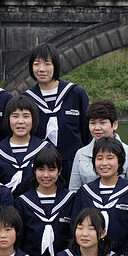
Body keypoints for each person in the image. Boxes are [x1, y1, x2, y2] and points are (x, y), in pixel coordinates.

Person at [22, 43, 89, 183]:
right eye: (36, 64)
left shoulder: (76, 94)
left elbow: (86, 134)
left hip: (72, 166)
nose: (41, 69)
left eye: (47, 64)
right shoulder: (27, 99)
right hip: (40, 169)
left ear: (56, 66)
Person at [75, 137, 128, 254]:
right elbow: (75, 226)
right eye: (99, 158)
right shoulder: (84, 193)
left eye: (110, 158)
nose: (104, 163)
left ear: (120, 161)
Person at [68, 100, 128, 190]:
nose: (97, 128)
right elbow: (74, 191)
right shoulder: (81, 154)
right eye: (92, 123)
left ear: (114, 125)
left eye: (102, 123)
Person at [0, 94, 53, 198]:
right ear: (8, 119)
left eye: (26, 116)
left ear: (34, 119)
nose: (20, 121)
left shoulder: (46, 149)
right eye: (15, 116)